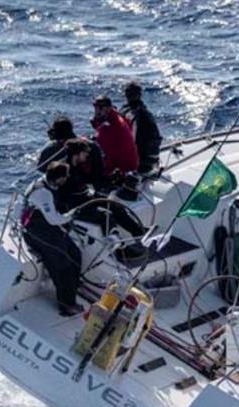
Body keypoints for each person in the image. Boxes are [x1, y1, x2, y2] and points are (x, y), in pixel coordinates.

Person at [21, 162, 84, 316]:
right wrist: (70, 215)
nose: (67, 179)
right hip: (39, 232)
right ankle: (66, 305)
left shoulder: (48, 185)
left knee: (75, 254)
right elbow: (53, 219)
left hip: (50, 229)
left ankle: (73, 287)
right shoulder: (43, 192)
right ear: (58, 178)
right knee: (63, 267)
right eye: (65, 176)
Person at [56, 139, 146, 237]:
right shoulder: (63, 170)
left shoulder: (77, 165)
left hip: (86, 197)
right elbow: (60, 194)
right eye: (84, 152)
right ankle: (118, 248)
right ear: (77, 154)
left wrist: (112, 177)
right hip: (75, 205)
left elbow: (87, 179)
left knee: (115, 205)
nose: (87, 154)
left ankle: (139, 232)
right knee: (106, 215)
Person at [91, 95, 139, 177]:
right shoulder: (118, 117)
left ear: (109, 109)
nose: (97, 111)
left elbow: (108, 157)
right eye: (96, 107)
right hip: (132, 164)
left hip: (121, 170)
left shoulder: (107, 129)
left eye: (100, 108)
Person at [121, 81, 162, 174]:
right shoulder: (146, 114)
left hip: (139, 163)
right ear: (140, 95)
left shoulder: (129, 114)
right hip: (149, 159)